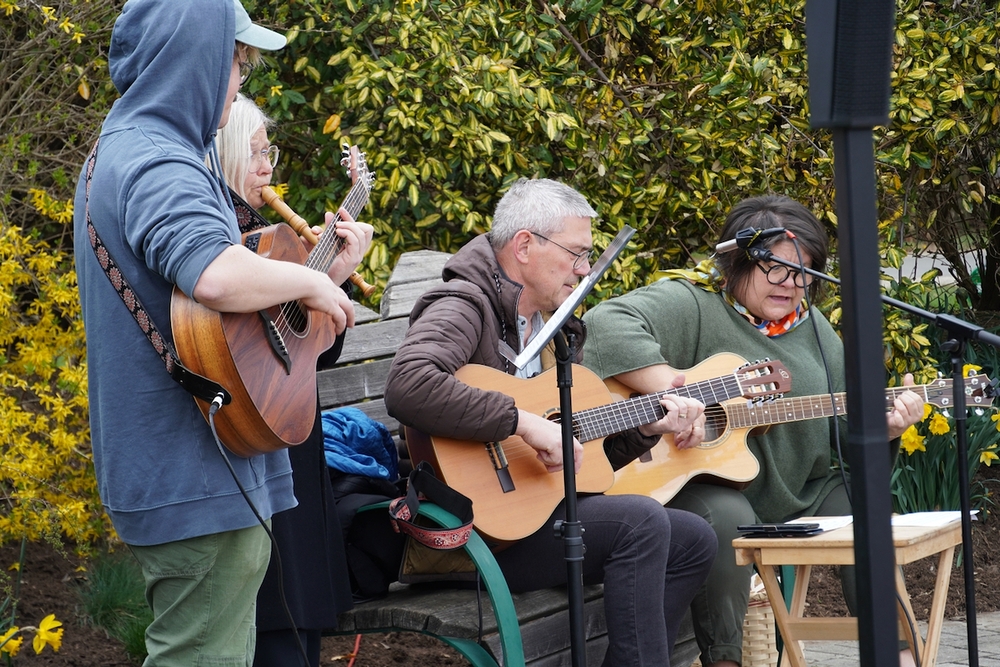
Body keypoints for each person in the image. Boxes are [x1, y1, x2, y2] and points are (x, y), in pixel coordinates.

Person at [72, 1, 358, 664]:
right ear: (194, 62)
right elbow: (214, 275)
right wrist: (310, 282)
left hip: (189, 468)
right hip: (193, 473)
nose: (238, 82)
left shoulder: (127, 148)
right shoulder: (159, 162)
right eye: (236, 64)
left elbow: (217, 317)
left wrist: (318, 278)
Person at [383, 177, 719, 667]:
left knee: (693, 538)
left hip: (533, 516)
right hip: (468, 530)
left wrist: (648, 428)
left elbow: (576, 457)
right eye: (576, 254)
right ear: (524, 246)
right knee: (640, 521)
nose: (583, 269)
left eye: (587, 256)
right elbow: (408, 384)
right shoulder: (463, 305)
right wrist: (521, 422)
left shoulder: (555, 328)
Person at [581, 194, 924, 667]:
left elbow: (844, 439)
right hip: (700, 485)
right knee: (726, 519)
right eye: (776, 269)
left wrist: (884, 431)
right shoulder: (692, 302)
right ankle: (726, 660)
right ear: (738, 262)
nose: (792, 284)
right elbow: (603, 323)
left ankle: (897, 654)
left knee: (865, 504)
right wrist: (676, 391)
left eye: (805, 272)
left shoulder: (816, 330)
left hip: (801, 491)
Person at [214, 93, 372, 666]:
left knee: (297, 624)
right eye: (255, 153)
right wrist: (313, 281)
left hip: (290, 432)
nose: (267, 168)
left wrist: (334, 275)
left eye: (269, 153)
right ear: (223, 155)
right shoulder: (223, 241)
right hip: (249, 440)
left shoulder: (271, 239)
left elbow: (308, 353)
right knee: (272, 627)